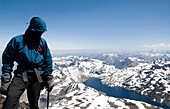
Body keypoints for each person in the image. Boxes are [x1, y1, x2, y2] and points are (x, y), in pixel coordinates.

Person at [0, 17, 54, 109]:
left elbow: (47, 60)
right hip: (21, 73)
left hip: (37, 75)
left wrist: (48, 77)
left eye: (42, 32)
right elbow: (7, 59)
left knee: (34, 102)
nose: (41, 34)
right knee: (11, 98)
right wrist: (6, 79)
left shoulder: (42, 43)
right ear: (33, 29)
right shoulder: (17, 41)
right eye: (39, 31)